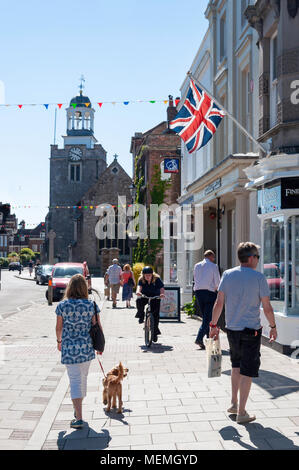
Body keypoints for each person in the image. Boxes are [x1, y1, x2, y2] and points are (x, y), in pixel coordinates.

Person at [209, 242, 277, 424]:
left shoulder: (228, 275)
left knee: (236, 366)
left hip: (232, 329)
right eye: (258, 257)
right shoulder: (258, 278)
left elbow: (219, 302)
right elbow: (268, 307)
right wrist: (273, 326)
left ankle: (233, 403)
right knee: (247, 370)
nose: (258, 261)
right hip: (251, 332)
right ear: (252, 258)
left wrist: (213, 325)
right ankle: (242, 412)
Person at [55, 273, 103, 429]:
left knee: (75, 380)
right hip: (86, 348)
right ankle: (78, 410)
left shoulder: (62, 306)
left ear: (70, 288)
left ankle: (79, 417)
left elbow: (58, 328)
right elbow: (97, 327)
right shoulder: (91, 305)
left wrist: (59, 341)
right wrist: (100, 346)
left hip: (69, 348)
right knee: (82, 379)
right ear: (84, 288)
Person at [193, 250, 220, 350]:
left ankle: (209, 338)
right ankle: (199, 338)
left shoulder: (197, 265)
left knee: (206, 316)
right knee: (208, 317)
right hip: (209, 293)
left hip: (199, 292)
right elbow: (217, 281)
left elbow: (195, 279)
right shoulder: (213, 266)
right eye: (213, 257)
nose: (214, 259)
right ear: (211, 257)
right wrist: (218, 290)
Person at [135, 266, 165, 342]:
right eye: (146, 275)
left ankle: (154, 333)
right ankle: (141, 314)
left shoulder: (157, 279)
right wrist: (138, 292)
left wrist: (162, 294)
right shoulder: (141, 279)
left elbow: (161, 288)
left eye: (149, 275)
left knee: (155, 316)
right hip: (145, 295)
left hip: (155, 297)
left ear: (152, 274)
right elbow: (139, 287)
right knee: (139, 301)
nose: (148, 277)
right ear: (143, 275)